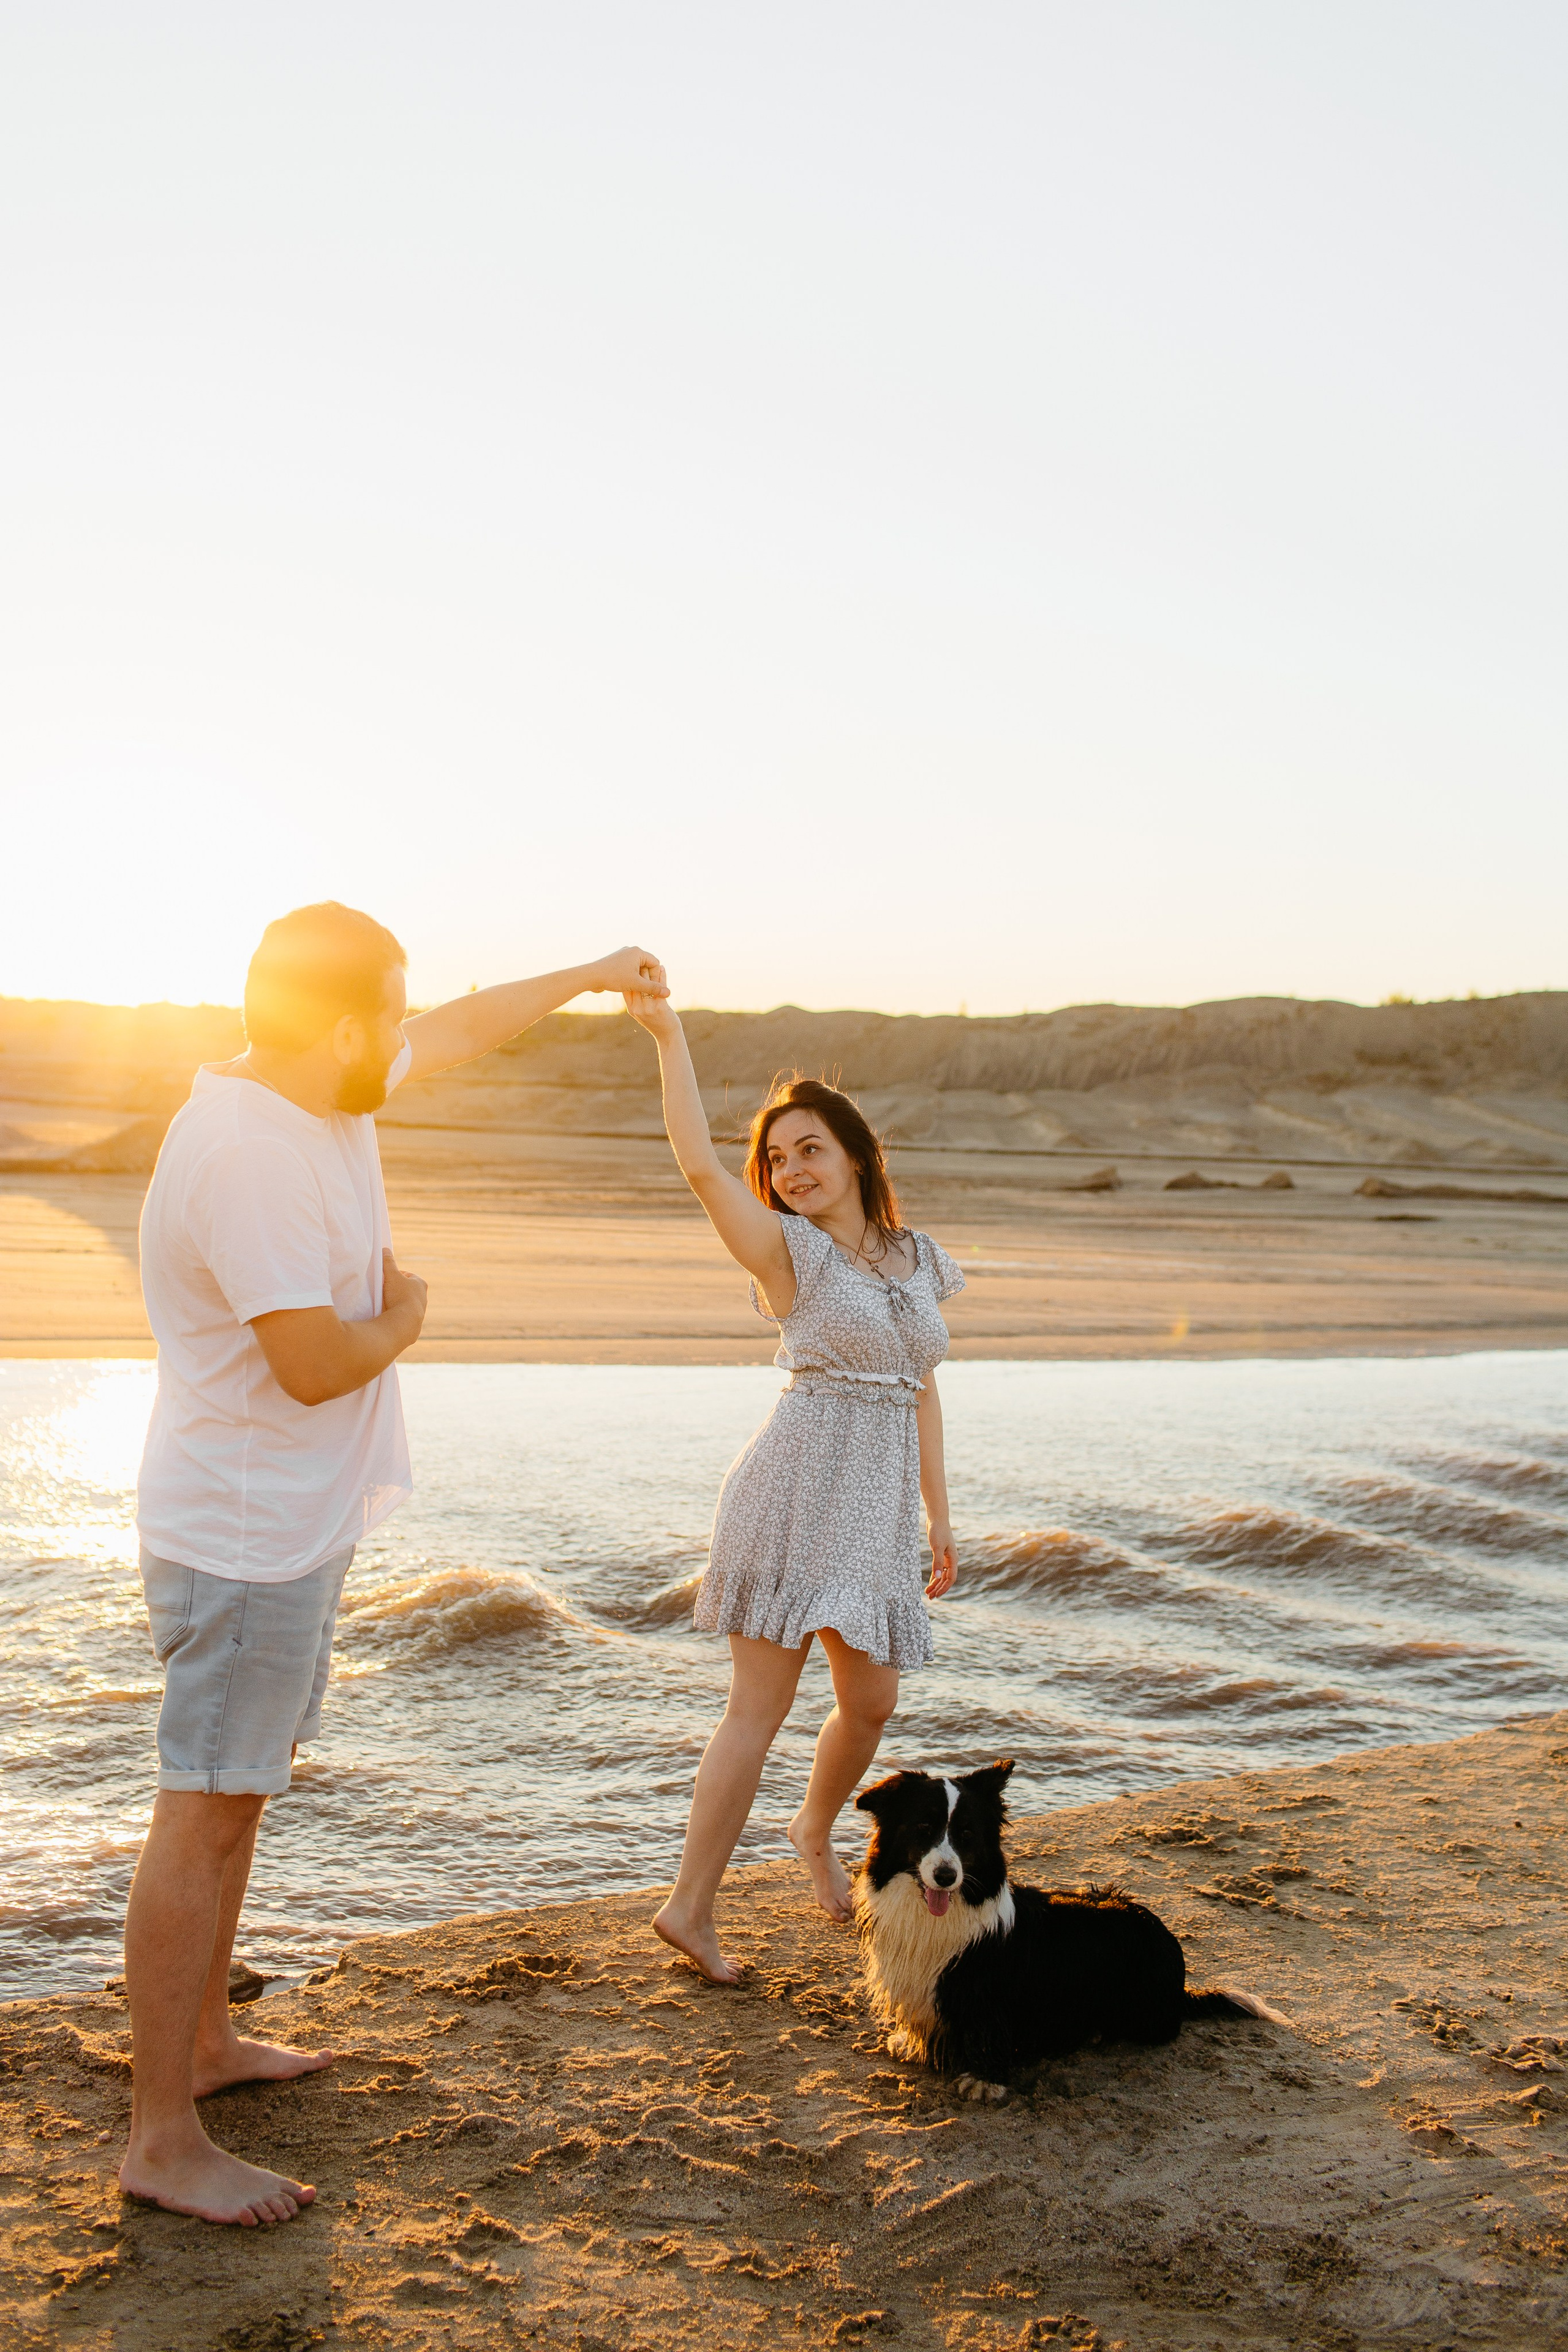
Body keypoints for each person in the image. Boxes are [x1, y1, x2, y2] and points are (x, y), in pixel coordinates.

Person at [123, 902, 665, 2226]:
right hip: (242, 1537)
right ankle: (160, 2138)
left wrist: (591, 977)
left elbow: (466, 1027)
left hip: (283, 1528)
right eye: (394, 1009)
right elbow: (312, 1366)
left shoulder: (323, 1085)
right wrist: (410, 1313)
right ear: (342, 1022)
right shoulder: (250, 1149)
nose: (410, 1031)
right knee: (203, 1806)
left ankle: (203, 2047)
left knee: (238, 1795)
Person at [624, 987, 964, 1985]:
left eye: (809, 1150)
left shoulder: (916, 1259)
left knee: (872, 1700)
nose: (791, 1171)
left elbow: (924, 1387)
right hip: (796, 1483)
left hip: (878, 1505)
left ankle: (812, 1829)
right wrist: (669, 1035)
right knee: (758, 1709)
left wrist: (941, 1516)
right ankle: (689, 1909)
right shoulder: (789, 1254)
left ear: (855, 1153)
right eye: (777, 1158)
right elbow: (695, 1163)